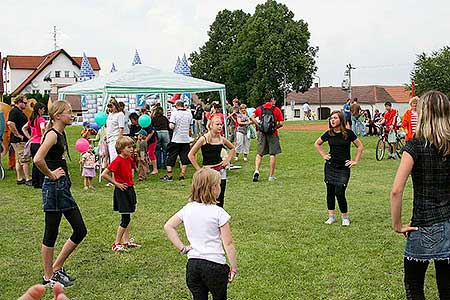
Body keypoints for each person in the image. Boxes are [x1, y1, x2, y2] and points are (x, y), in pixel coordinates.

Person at [390, 91, 450, 299]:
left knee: (414, 285)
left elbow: (397, 190)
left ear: (423, 112)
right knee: (447, 287)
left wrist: (397, 225)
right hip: (448, 222)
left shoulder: (414, 146)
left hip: (424, 223)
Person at [33, 101, 87, 287]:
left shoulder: (60, 133)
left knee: (80, 229)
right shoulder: (52, 135)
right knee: (51, 231)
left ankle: (56, 268)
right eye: (69, 112)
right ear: (57, 116)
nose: (72, 115)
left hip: (62, 188)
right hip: (54, 188)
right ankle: (48, 277)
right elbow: (37, 159)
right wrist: (51, 174)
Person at [164, 167, 238, 300]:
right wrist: (233, 267)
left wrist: (183, 248)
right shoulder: (219, 213)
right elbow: (228, 243)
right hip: (215, 266)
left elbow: (168, 226)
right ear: (214, 188)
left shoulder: (187, 209)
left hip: (193, 266)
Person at [314, 110, 363, 226]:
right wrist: (324, 155)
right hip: (330, 166)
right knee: (330, 191)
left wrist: (355, 161)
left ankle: (345, 217)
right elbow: (317, 143)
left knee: (340, 192)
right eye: (331, 118)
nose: (332, 120)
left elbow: (360, 146)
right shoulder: (328, 133)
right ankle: (331, 216)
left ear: (341, 120)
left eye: (335, 118)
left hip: (343, 168)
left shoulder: (349, 133)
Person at [101, 136, 141, 252]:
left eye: (132, 147)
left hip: (129, 189)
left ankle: (126, 241)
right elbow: (104, 174)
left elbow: (135, 169)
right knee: (125, 218)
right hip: (121, 191)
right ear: (121, 148)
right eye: (129, 147)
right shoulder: (117, 160)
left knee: (128, 215)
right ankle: (116, 243)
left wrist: (138, 164)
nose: (131, 149)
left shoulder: (129, 159)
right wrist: (116, 184)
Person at [188, 116, 235, 207]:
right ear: (210, 125)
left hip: (220, 170)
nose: (220, 126)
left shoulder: (221, 139)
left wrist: (227, 160)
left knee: (220, 196)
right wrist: (199, 170)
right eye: (217, 124)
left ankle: (219, 217)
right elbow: (191, 155)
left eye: (221, 124)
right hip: (208, 171)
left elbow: (232, 148)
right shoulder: (204, 139)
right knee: (206, 196)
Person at [250, 93, 284, 182]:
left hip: (262, 133)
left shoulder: (259, 109)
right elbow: (281, 123)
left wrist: (258, 125)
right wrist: (275, 127)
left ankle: (257, 170)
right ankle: (271, 176)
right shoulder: (276, 109)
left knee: (259, 153)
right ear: (271, 99)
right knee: (272, 154)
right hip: (273, 133)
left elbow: (251, 117)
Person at [160, 100, 193, 181]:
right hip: (185, 139)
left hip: (176, 139)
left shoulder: (175, 113)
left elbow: (171, 126)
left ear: (177, 106)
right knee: (184, 158)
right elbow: (190, 125)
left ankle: (169, 175)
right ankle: (182, 175)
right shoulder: (189, 113)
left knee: (171, 157)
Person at [7, 95, 32, 185]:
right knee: (25, 159)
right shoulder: (14, 111)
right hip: (19, 141)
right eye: (24, 103)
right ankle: (28, 179)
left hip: (18, 140)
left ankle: (20, 178)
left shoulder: (18, 111)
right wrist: (18, 134)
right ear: (19, 102)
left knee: (19, 160)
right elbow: (10, 123)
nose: (26, 105)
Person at [22, 102, 46, 188]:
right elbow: (42, 128)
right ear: (39, 110)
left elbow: (24, 128)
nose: (43, 111)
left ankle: (35, 182)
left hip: (33, 143)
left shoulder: (31, 119)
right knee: (41, 162)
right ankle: (41, 182)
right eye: (43, 109)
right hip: (39, 143)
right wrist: (44, 137)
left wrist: (30, 137)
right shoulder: (41, 119)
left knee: (35, 163)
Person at [106, 97, 125, 163]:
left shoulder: (120, 114)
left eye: (111, 106)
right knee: (111, 157)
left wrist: (119, 140)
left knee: (114, 157)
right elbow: (108, 126)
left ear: (115, 105)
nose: (110, 108)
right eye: (109, 107)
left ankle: (117, 172)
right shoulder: (110, 114)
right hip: (109, 138)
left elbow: (121, 128)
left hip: (115, 138)